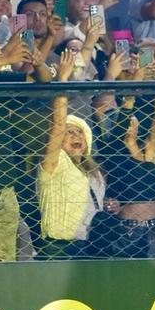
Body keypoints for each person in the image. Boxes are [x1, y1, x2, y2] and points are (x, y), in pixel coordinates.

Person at [37, 49, 104, 258]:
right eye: (69, 132)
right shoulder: (54, 163)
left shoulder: (94, 170)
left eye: (80, 132)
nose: (76, 135)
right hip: (60, 248)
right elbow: (57, 124)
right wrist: (63, 81)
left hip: (92, 244)